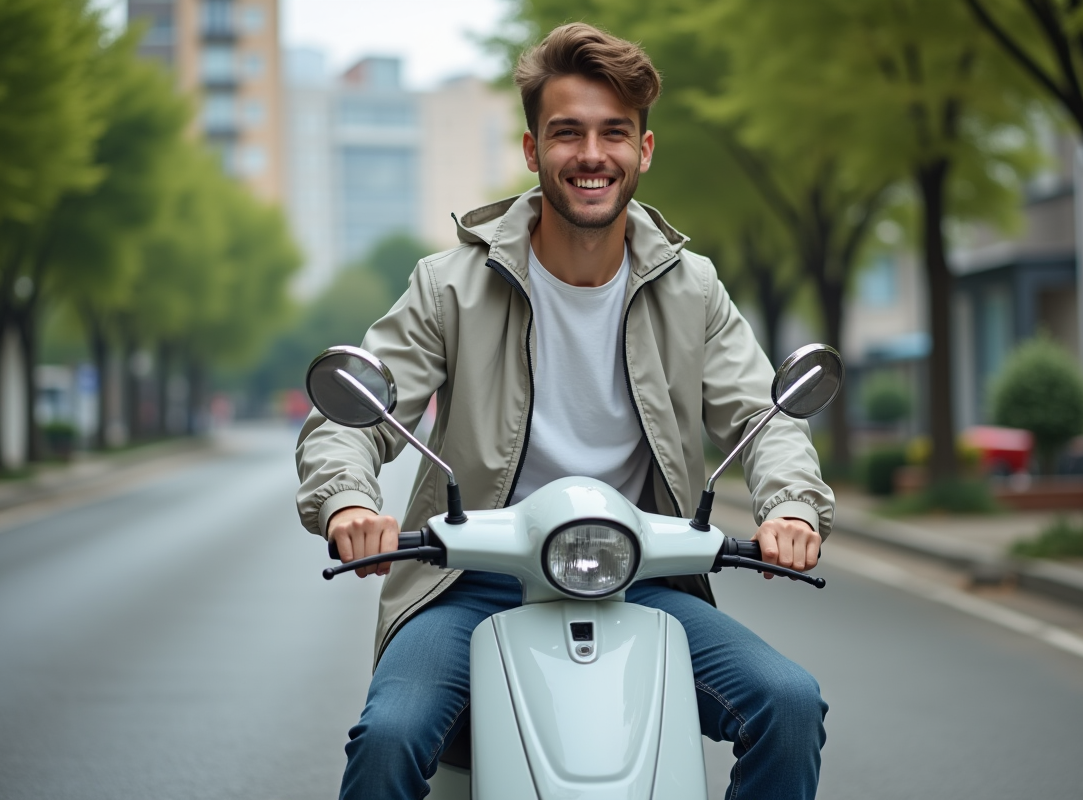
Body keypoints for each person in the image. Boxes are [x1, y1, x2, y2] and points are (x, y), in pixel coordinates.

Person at [296, 22, 834, 800]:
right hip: (469, 580)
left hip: (638, 576)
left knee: (787, 703)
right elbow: (356, 414)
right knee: (390, 736)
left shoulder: (694, 289)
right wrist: (348, 500)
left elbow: (766, 416)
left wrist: (791, 509)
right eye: (567, 133)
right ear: (531, 150)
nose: (591, 155)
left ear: (643, 151)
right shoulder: (450, 285)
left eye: (614, 133)